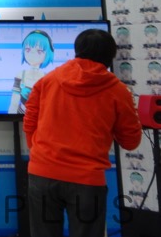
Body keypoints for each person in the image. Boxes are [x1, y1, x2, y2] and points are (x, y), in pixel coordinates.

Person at [23, 29, 142, 237]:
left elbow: (30, 119)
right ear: (110, 55)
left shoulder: (48, 80)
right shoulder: (118, 91)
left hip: (42, 173)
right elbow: (131, 141)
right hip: (87, 179)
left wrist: (40, 153)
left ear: (77, 50)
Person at [8, 30, 54, 114]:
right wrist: (11, 118)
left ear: (47, 54)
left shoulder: (47, 78)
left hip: (40, 118)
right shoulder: (20, 75)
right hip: (20, 114)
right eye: (28, 50)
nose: (32, 55)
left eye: (39, 51)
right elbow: (14, 103)